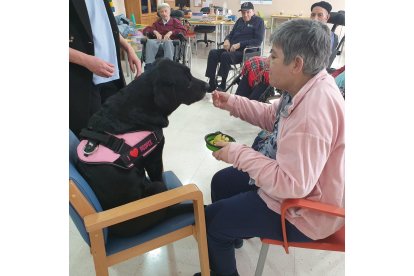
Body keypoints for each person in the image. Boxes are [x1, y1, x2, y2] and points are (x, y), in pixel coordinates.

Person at [194, 19, 345, 276]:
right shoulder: (306, 84)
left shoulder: (313, 114)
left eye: (273, 56)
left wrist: (236, 151)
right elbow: (272, 116)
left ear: (296, 64)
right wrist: (233, 102)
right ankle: (231, 237)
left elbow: (291, 185)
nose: (266, 61)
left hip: (303, 211)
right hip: (294, 185)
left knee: (211, 222)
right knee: (221, 182)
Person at [69, 0, 142, 137]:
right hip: (82, 82)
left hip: (112, 76)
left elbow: (105, 24)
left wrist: (128, 47)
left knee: (116, 135)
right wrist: (87, 61)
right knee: (91, 140)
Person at [205, 2, 265, 92]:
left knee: (225, 55)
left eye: (248, 12)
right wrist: (227, 39)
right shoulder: (240, 20)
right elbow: (231, 34)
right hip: (231, 49)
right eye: (243, 12)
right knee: (213, 53)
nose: (245, 15)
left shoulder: (259, 21)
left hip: (246, 52)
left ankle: (223, 84)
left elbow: (257, 41)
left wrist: (240, 44)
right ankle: (211, 82)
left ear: (253, 11)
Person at [142, 3, 187, 69]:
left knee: (167, 42)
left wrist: (171, 32)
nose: (164, 13)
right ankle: (149, 66)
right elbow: (146, 30)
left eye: (166, 11)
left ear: (169, 11)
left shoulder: (175, 21)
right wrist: (155, 32)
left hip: (172, 44)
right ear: (159, 13)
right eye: (161, 12)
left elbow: (183, 30)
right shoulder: (157, 23)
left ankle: (168, 66)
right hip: (159, 44)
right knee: (150, 42)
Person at [310, 1, 338, 67]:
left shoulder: (333, 38)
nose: (315, 19)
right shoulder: (302, 34)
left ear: (327, 17)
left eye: (320, 15)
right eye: (313, 15)